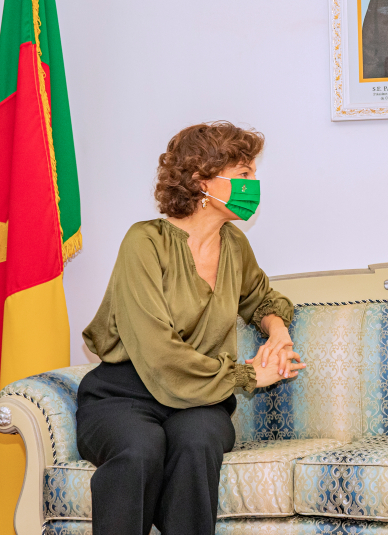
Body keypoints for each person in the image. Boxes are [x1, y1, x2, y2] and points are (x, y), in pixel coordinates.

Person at [77, 121, 305, 535]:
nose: (253, 185)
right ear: (201, 181)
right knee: (140, 450)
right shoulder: (143, 243)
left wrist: (278, 333)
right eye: (243, 175)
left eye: (253, 174)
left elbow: (262, 299)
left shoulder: (235, 245)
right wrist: (251, 374)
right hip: (125, 393)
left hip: (202, 400)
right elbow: (159, 354)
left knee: (198, 443)